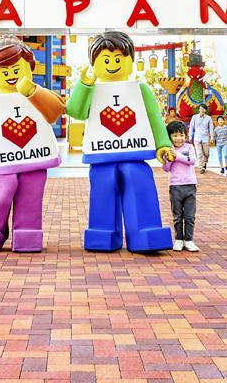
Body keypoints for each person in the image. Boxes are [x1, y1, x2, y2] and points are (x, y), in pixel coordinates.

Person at [67, 30, 173, 253]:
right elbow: (75, 111)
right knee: (103, 190)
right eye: (105, 60)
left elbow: (154, 117)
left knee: (140, 185)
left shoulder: (140, 89)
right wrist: (85, 83)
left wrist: (163, 144)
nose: (112, 63)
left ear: (130, 60)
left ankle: (147, 233)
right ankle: (103, 234)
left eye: (118, 59)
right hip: (102, 157)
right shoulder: (92, 89)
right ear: (94, 63)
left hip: (134, 155)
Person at [0, 37, 66, 253]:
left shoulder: (36, 95)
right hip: (2, 163)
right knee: (2, 190)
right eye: (3, 71)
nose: (11, 75)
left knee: (31, 195)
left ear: (29, 68)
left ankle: (27, 235)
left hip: (34, 160)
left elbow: (57, 110)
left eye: (16, 69)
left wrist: (32, 91)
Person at [163, 120, 199, 253]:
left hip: (190, 185)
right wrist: (168, 159)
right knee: (177, 216)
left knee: (189, 216)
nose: (179, 138)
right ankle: (179, 239)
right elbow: (166, 169)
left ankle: (188, 240)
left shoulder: (189, 148)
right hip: (175, 186)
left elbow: (192, 161)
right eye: (175, 135)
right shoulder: (169, 150)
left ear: (186, 135)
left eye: (182, 135)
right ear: (170, 136)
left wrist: (177, 156)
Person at [187, 104, 214, 174]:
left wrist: (212, 137)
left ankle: (205, 163)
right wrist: (190, 136)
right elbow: (191, 127)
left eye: (203, 109)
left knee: (206, 153)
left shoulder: (208, 118)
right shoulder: (194, 117)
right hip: (197, 137)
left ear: (205, 110)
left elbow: (211, 128)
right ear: (199, 109)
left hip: (205, 138)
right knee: (199, 153)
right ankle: (201, 167)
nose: (202, 110)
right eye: (201, 108)